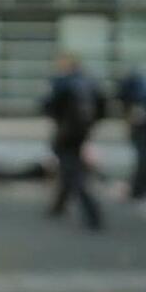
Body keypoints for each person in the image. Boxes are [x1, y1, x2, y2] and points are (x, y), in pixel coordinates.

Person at [41, 52, 106, 231]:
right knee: (68, 168)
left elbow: (48, 105)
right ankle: (59, 206)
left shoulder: (63, 82)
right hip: (82, 132)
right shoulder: (90, 82)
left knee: (71, 170)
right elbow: (102, 107)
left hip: (66, 132)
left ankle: (91, 211)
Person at [117, 69, 146, 199]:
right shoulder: (145, 89)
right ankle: (143, 188)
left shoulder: (139, 96)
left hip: (143, 127)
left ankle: (140, 189)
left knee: (143, 158)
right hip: (145, 126)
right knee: (145, 159)